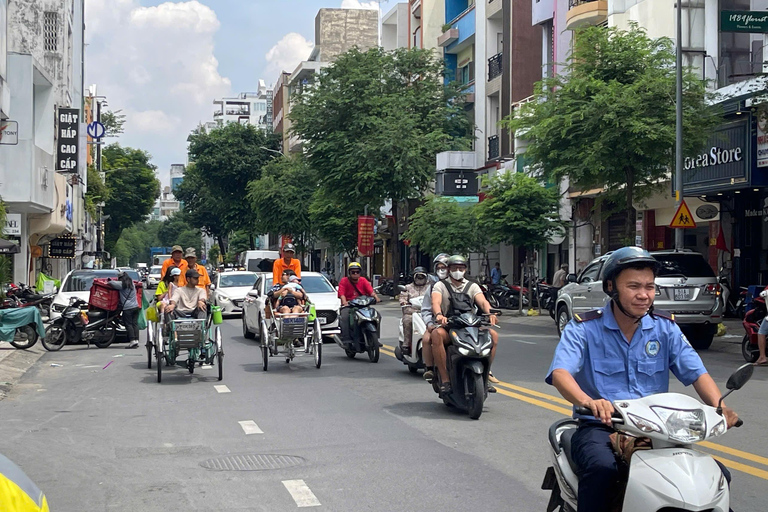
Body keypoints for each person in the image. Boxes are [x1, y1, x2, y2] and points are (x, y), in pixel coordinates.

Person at [545, 246, 739, 512]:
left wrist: (720, 407)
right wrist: (590, 402)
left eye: (649, 286)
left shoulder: (665, 328)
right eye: (633, 286)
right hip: (601, 427)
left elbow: (696, 372)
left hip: (660, 430)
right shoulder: (584, 328)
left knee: (717, 477)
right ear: (611, 287)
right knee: (602, 470)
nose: (644, 295)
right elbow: (561, 374)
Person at [431, 255, 498, 393]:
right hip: (450, 327)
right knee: (437, 335)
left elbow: (483, 302)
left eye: (461, 268)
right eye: (455, 268)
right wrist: (439, 315)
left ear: (465, 269)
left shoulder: (472, 286)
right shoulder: (440, 285)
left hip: (470, 326)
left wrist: (490, 313)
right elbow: (435, 302)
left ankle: (486, 374)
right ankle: (445, 380)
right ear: (449, 269)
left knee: (493, 335)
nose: (458, 270)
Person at [422, 254, 449, 382]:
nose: (442, 270)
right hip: (437, 323)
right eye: (439, 267)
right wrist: (430, 323)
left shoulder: (463, 285)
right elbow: (427, 309)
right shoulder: (433, 287)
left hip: (459, 323)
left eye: (445, 267)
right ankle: (430, 369)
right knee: (427, 339)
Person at [338, 262, 380, 342]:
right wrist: (344, 302)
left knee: (377, 316)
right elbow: (342, 294)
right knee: (345, 317)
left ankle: (375, 339)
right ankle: (347, 339)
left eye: (357, 272)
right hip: (349, 306)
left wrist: (376, 297)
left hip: (363, 305)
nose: (355, 274)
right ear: (349, 273)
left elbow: (371, 291)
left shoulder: (363, 280)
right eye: (353, 272)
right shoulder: (344, 281)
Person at [399, 266, 430, 353]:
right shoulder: (408, 287)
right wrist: (403, 302)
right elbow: (402, 298)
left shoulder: (431, 287)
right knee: (407, 320)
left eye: (422, 276)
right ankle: (406, 344)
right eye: (418, 276)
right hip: (411, 312)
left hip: (427, 312)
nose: (420, 278)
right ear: (414, 277)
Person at [108, 271, 140, 349]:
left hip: (127, 308)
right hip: (136, 306)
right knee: (134, 324)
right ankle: (136, 340)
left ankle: (132, 341)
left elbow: (111, 283)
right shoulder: (131, 283)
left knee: (128, 324)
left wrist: (109, 280)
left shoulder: (122, 285)